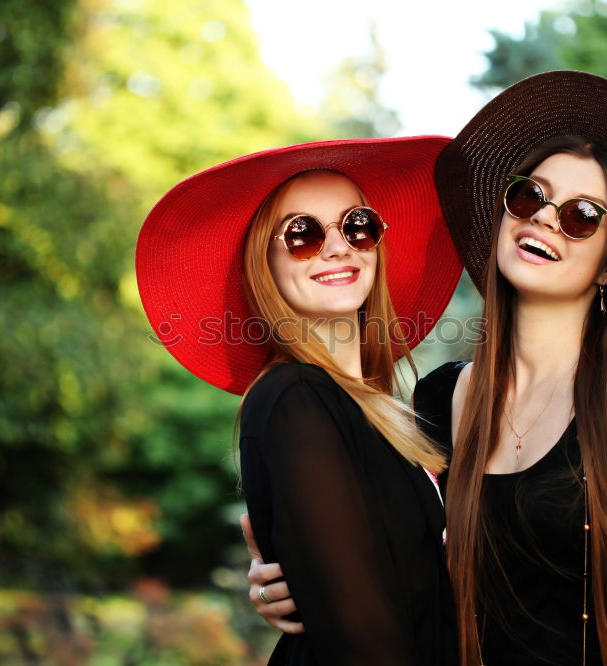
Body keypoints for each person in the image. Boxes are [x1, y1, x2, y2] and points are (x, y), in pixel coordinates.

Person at [248, 71, 607, 666]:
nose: (546, 218)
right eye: (530, 196)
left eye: (582, 216)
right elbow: (362, 541)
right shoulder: (437, 399)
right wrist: (277, 576)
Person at [135, 137, 463, 665]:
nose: (338, 247)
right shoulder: (296, 398)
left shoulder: (387, 414)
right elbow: (362, 637)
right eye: (302, 234)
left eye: (357, 225)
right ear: (263, 264)